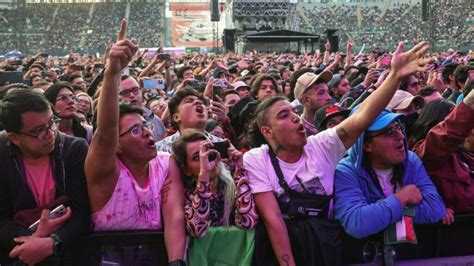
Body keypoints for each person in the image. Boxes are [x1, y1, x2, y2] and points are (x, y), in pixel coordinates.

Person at [244, 42, 433, 266]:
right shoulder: (256, 158)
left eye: (294, 112)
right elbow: (274, 220)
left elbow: (361, 118)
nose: (295, 118)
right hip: (279, 255)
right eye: (283, 115)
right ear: (267, 132)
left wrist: (394, 77)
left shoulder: (321, 146)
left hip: (325, 250)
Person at [84, 20, 186, 264]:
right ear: (116, 145)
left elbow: (174, 216)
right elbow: (106, 131)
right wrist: (112, 73)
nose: (148, 133)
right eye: (136, 130)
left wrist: (176, 262)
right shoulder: (106, 171)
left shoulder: (164, 163)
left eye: (146, 126)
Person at [0, 90, 90, 265]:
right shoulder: (1, 156)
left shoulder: (74, 150)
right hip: (16, 254)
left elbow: (82, 212)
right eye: (39, 131)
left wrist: (52, 242)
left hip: (68, 255)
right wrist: (33, 238)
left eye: (52, 123)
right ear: (14, 138)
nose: (50, 134)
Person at [333, 110, 445, 239]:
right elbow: (356, 223)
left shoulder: (411, 161)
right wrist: (402, 198)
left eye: (398, 127)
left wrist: (378, 213)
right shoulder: (346, 171)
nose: (401, 136)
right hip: (369, 257)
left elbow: (435, 209)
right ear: (367, 145)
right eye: (389, 132)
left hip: (408, 256)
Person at [172, 131, 258, 237]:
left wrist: (240, 170)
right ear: (186, 170)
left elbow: (248, 223)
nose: (206, 160)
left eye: (208, 152)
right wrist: (204, 177)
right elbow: (197, 230)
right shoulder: (184, 194)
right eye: (198, 157)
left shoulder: (233, 184)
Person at [411, 89, 474, 215]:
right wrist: (469, 104)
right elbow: (446, 135)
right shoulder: (426, 153)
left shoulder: (464, 154)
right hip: (451, 232)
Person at [118, 75, 168, 141]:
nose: (132, 95)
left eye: (135, 90)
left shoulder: (154, 118)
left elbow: (164, 84)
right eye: (125, 93)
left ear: (141, 90)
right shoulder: (115, 127)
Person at [293, 71, 333, 136]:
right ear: (306, 100)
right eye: (321, 93)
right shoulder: (300, 134)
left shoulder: (336, 120)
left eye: (327, 92)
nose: (329, 97)